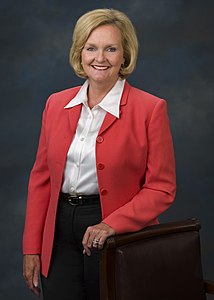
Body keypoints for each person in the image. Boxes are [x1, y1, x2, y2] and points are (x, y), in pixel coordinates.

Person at [22, 8, 176, 300]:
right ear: (79, 53)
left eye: (111, 49)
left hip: (118, 233)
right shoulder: (55, 104)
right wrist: (31, 247)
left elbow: (161, 188)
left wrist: (111, 224)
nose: (100, 58)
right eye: (91, 48)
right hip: (58, 231)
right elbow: (41, 180)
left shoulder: (151, 109)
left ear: (125, 54)